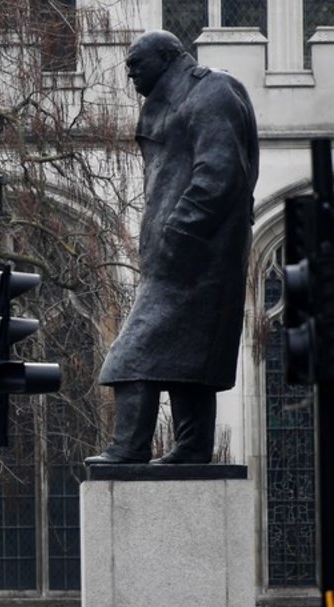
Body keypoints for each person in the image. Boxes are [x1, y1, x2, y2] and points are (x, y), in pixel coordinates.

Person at [87, 29, 258, 465]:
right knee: (188, 359)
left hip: (198, 256)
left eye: (135, 65)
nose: (130, 76)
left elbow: (220, 175)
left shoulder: (212, 92)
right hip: (179, 256)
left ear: (166, 58)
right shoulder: (166, 103)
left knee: (130, 356)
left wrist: (178, 233)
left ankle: (130, 446)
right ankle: (192, 448)